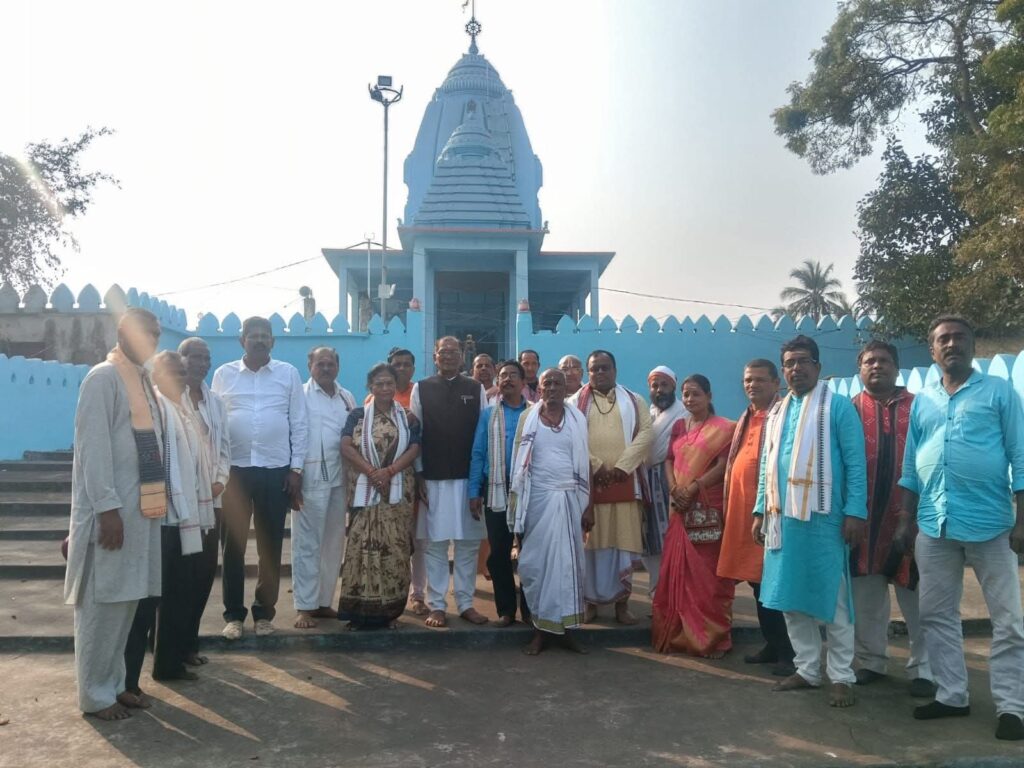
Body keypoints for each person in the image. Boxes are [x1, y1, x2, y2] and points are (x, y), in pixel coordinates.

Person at [897, 315, 1024, 740]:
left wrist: (1022, 519)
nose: (951, 344)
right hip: (934, 524)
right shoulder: (924, 401)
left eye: (959, 337)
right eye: (943, 339)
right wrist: (905, 520)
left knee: (1008, 620)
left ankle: (1012, 707)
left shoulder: (999, 392)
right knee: (936, 615)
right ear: (932, 350)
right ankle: (952, 695)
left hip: (992, 525)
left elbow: (1020, 456)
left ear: (972, 345)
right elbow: (911, 465)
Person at [754, 335, 867, 709]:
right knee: (789, 598)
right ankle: (807, 669)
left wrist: (855, 512)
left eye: (803, 361)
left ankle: (842, 676)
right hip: (781, 520)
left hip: (824, 520)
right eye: (789, 363)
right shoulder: (776, 412)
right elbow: (766, 465)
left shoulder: (838, 407)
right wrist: (759, 510)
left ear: (818, 367)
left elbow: (855, 463)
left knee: (833, 600)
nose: (796, 368)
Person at [64, 308, 164, 720]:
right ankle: (94, 696)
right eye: (144, 333)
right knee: (102, 606)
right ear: (123, 333)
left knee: (126, 603)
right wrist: (107, 508)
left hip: (140, 514)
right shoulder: (103, 378)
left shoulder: (141, 380)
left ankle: (116, 684)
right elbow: (93, 448)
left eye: (156, 334)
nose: (151, 340)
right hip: (113, 514)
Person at [212, 316, 308, 639]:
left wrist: (296, 469)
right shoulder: (224, 374)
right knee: (232, 547)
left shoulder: (288, 374)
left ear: (273, 341)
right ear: (242, 341)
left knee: (270, 545)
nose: (258, 339)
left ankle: (264, 614)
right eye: (252, 335)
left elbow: (299, 423)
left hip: (275, 470)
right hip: (234, 473)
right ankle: (233, 616)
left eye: (264, 335)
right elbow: (214, 423)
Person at [124, 351, 213, 692]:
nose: (179, 379)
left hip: (185, 517)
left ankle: (168, 665)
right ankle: (128, 682)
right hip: (161, 519)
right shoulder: (156, 410)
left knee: (178, 596)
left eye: (182, 373)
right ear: (156, 375)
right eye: (171, 372)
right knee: (148, 603)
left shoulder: (183, 411)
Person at [850, 341, 934, 697]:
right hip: (864, 522)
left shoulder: (920, 405)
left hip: (913, 518)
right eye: (869, 361)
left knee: (919, 598)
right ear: (860, 369)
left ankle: (925, 669)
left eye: (884, 360)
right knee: (866, 597)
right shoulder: (849, 409)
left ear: (897, 367)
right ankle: (871, 661)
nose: (877, 366)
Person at [718, 360, 794, 676]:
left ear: (777, 383)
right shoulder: (746, 417)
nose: (753, 385)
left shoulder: (784, 415)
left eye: (761, 380)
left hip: (771, 513)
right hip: (743, 514)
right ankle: (772, 644)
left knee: (775, 582)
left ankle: (789, 653)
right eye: (748, 380)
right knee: (757, 583)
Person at [509, 368, 593, 655]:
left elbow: (585, 463)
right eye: (548, 383)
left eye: (558, 382)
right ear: (540, 388)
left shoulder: (577, 419)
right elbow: (518, 464)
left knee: (569, 568)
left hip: (571, 501)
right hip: (537, 501)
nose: (553, 387)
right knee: (536, 566)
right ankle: (540, 631)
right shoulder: (528, 418)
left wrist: (589, 506)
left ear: (566, 387)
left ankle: (567, 631)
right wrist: (518, 509)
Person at [652, 374, 735, 658]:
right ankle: (678, 634)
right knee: (678, 572)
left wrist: (695, 487)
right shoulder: (679, 425)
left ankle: (711, 638)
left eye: (696, 394)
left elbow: (723, 465)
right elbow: (669, 460)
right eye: (686, 394)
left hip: (706, 507)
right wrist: (674, 488)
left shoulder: (725, 428)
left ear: (709, 396)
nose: (689, 399)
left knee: (707, 577)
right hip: (679, 505)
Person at [569, 350, 653, 624]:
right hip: (590, 485)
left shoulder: (634, 400)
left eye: (605, 368)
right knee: (591, 546)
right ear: (588, 372)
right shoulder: (575, 403)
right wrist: (597, 466)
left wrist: (622, 467)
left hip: (625, 482)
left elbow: (647, 433)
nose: (600, 373)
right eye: (595, 369)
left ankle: (621, 605)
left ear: (615, 370)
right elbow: (572, 438)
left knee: (623, 545)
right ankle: (590, 604)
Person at [411, 336, 489, 627]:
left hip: (468, 480)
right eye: (443, 352)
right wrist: (419, 473)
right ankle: (437, 605)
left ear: (462, 356)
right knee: (436, 545)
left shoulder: (475, 388)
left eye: (454, 352)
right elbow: (416, 434)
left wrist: (480, 481)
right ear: (435, 356)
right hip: (434, 479)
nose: (448, 356)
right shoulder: (422, 388)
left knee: (468, 544)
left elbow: (483, 435)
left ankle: (466, 603)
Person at [338, 363, 422, 628]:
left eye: (389, 383)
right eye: (379, 384)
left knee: (395, 549)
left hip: (397, 494)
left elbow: (414, 448)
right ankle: (358, 613)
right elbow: (346, 446)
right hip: (365, 492)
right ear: (370, 387)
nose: (385, 388)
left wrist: (389, 472)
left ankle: (390, 613)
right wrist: (373, 473)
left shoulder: (407, 417)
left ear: (395, 386)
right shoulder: (357, 415)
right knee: (360, 548)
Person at [292, 347, 356, 629]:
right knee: (307, 543)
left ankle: (322, 602)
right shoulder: (300, 395)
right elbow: (293, 434)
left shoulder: (346, 397)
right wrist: (294, 473)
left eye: (331, 363)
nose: (326, 368)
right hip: (310, 478)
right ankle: (304, 606)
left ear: (338, 366)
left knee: (333, 542)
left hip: (340, 479)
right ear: (310, 365)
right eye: (321, 364)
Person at [178, 337, 230, 668]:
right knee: (180, 576)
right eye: (194, 356)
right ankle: (170, 645)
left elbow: (224, 448)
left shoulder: (216, 403)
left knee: (204, 573)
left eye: (205, 357)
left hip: (211, 501)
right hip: (181, 502)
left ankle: (189, 643)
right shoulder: (169, 400)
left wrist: (220, 482)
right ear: (181, 359)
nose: (201, 363)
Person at [469, 360, 532, 626]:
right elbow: (478, 453)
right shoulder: (489, 415)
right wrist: (474, 490)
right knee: (499, 553)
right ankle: (506, 611)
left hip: (529, 490)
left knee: (530, 552)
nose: (507, 379)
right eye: (503, 375)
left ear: (523, 382)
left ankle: (530, 610)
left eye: (513, 375)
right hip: (496, 489)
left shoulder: (535, 413)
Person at [642, 366, 686, 598]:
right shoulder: (647, 414)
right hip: (647, 481)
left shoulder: (684, 412)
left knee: (673, 537)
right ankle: (657, 591)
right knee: (650, 539)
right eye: (655, 385)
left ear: (674, 387)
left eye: (664, 385)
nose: (659, 390)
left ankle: (675, 593)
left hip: (673, 480)